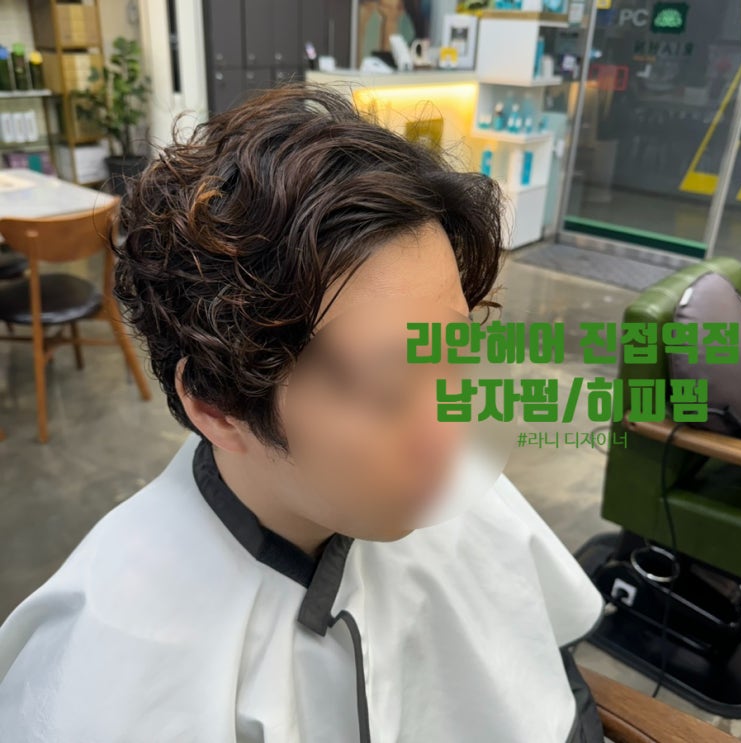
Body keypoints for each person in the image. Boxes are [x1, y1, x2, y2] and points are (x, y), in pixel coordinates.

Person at [0, 84, 605, 743]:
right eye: (389, 389)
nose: (453, 428)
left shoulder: (445, 487)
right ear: (217, 406)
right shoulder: (112, 655)